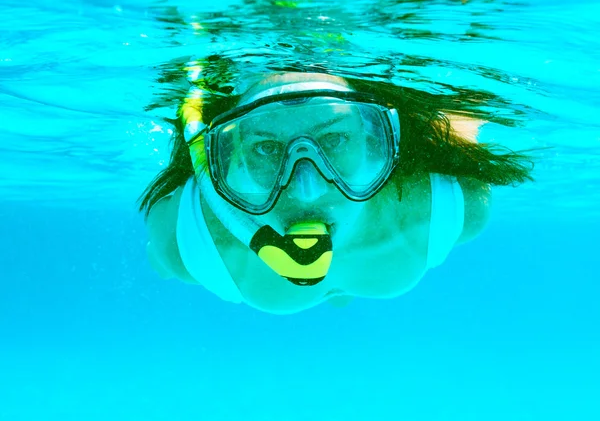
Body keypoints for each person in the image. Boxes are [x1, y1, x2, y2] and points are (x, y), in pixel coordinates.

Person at [139, 70, 534, 314]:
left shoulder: (455, 204)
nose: (307, 189)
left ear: (376, 140)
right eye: (264, 147)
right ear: (230, 154)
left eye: (336, 139)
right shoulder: (188, 243)